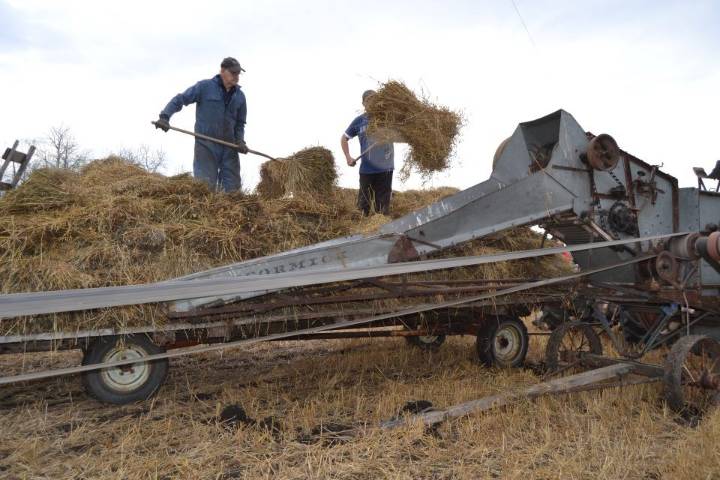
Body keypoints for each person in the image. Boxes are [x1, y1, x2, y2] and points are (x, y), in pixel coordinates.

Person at [155, 57, 248, 192]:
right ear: (222, 71)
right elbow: (181, 99)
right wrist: (165, 116)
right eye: (233, 73)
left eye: (238, 73)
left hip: (230, 147)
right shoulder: (204, 87)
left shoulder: (240, 97)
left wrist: (240, 141)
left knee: (233, 191)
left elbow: (240, 123)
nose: (236, 76)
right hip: (206, 144)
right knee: (205, 187)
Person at [341, 90, 394, 215]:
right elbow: (344, 138)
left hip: (385, 168)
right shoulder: (359, 121)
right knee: (363, 205)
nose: (372, 101)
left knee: (382, 207)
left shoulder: (387, 117)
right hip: (367, 169)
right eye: (369, 99)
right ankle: (363, 229)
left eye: (375, 98)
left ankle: (382, 228)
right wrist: (348, 157)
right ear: (363, 103)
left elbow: (403, 130)